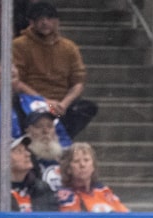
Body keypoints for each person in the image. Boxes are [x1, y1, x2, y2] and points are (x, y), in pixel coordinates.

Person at [11, 1, 97, 138]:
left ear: (57, 21)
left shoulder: (69, 47)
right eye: (40, 19)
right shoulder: (19, 45)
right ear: (31, 22)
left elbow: (78, 82)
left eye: (49, 18)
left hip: (61, 104)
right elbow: (17, 81)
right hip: (32, 101)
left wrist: (64, 104)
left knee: (87, 107)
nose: (45, 22)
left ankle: (62, 139)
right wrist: (45, 101)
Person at [56, 141, 127, 212]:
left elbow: (125, 215)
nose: (82, 165)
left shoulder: (103, 191)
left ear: (93, 166)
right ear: (68, 169)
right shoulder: (65, 196)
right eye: (76, 161)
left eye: (86, 160)